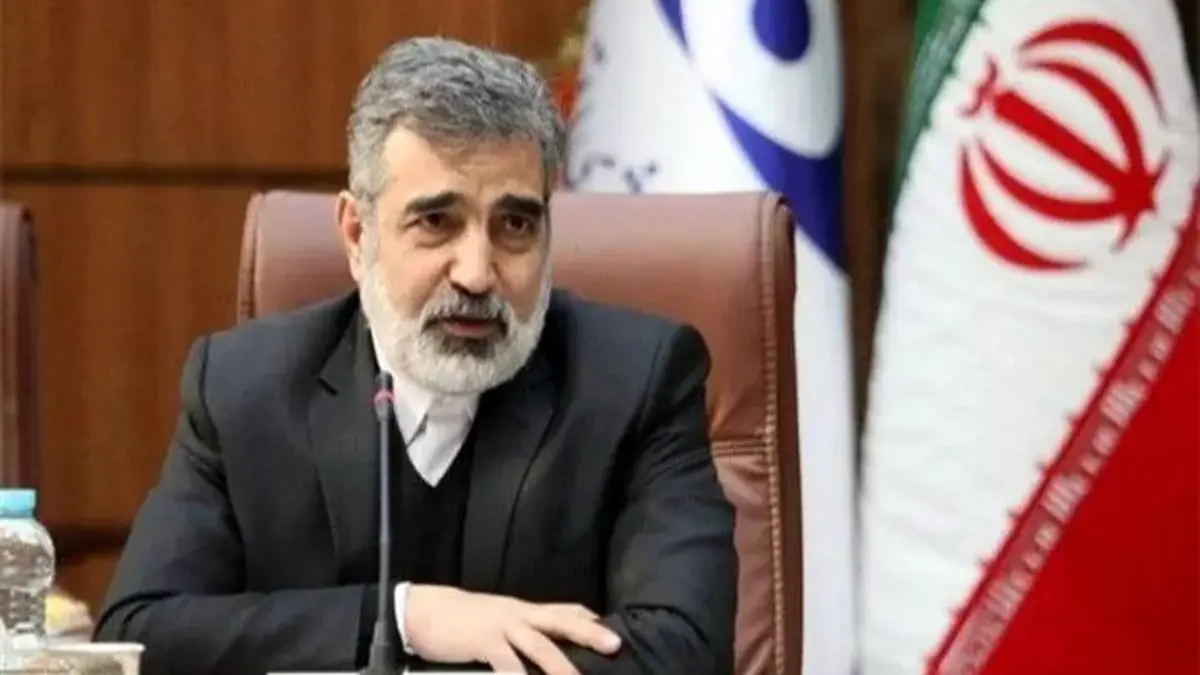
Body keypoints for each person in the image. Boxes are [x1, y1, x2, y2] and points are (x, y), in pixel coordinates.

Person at [94, 36, 738, 675]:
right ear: (357, 234)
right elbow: (140, 634)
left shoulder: (638, 381)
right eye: (436, 222)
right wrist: (407, 616)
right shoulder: (242, 389)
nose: (477, 273)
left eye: (515, 225)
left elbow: (684, 650)